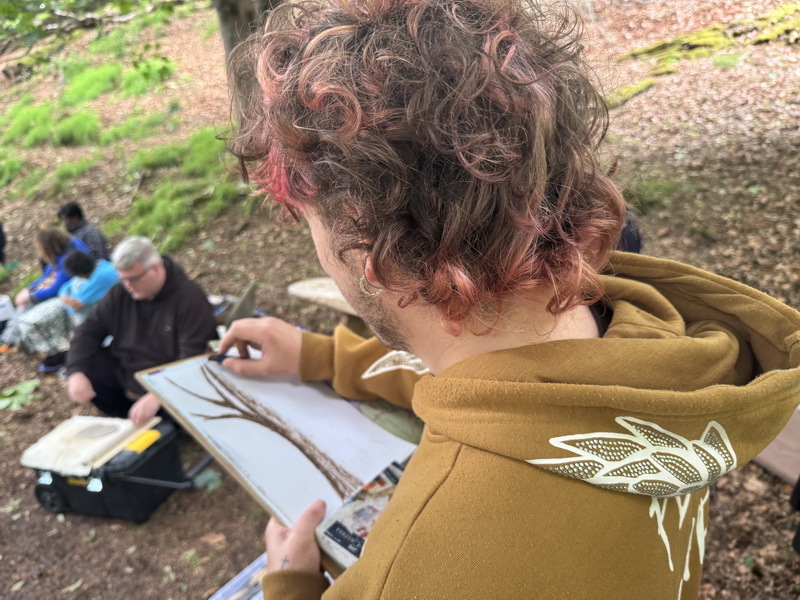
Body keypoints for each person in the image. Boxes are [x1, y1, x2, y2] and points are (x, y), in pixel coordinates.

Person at [218, 0, 800, 598]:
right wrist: (323, 358)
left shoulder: (418, 570)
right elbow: (508, 389)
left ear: (370, 246)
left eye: (312, 222)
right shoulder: (663, 357)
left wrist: (289, 582)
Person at [65, 236, 217, 426]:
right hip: (129, 371)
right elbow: (88, 331)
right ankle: (126, 421)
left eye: (133, 279)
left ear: (155, 268)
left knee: (182, 406)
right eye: (122, 279)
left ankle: (167, 427)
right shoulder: (120, 294)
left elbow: (192, 358)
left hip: (171, 380)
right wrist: (76, 372)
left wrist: (159, 393)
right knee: (90, 365)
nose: (127, 286)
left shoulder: (189, 299)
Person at [15, 251, 119, 372]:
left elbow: (76, 306)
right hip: (103, 314)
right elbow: (65, 288)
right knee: (76, 287)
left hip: (115, 318)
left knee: (76, 307)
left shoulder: (101, 278)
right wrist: (65, 297)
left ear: (80, 273)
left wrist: (67, 300)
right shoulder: (100, 265)